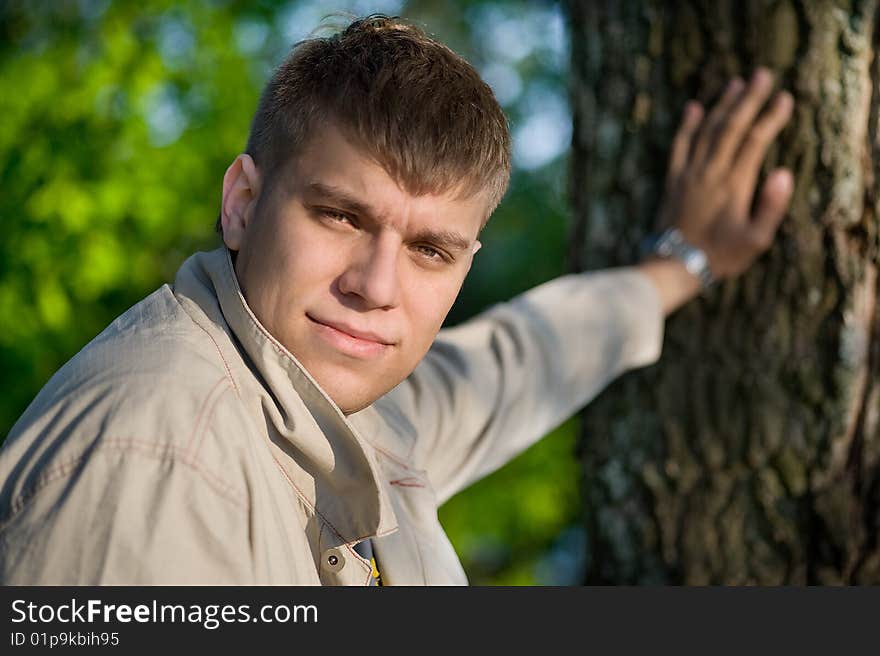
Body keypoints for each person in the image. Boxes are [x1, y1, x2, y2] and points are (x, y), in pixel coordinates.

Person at [0, 15, 794, 585]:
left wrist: (683, 265)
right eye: (341, 216)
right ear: (242, 202)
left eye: (428, 250)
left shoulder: (350, 413)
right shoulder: (152, 460)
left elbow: (515, 364)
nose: (376, 288)